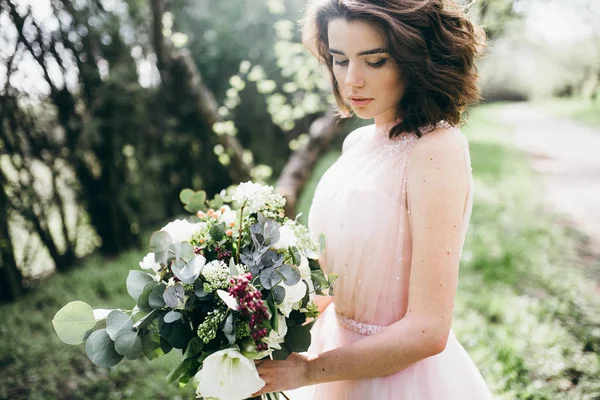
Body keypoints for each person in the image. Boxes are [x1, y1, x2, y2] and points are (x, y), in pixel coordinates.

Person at [253, 0, 494, 398]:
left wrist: (309, 373)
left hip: (398, 379)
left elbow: (428, 329)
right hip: (330, 355)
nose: (352, 81)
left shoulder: (437, 149)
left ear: (416, 58)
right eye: (340, 60)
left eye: (375, 61)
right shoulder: (356, 142)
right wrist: (253, 321)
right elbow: (331, 281)